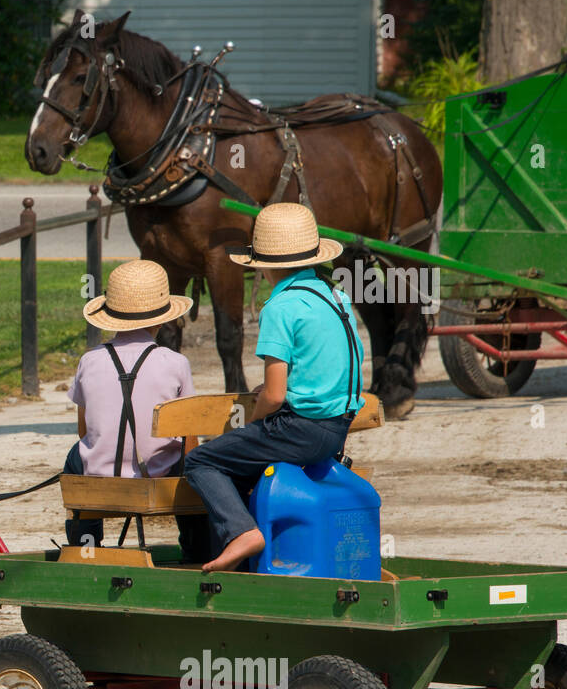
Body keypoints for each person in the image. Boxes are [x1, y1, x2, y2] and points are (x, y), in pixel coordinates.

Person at [183, 202, 365, 571]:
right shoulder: (337, 298)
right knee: (242, 460)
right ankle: (252, 549)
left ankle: (241, 533)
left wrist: (252, 423)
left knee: (201, 461)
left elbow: (274, 394)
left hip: (301, 429)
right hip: (338, 428)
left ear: (266, 266)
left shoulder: (281, 307)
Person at [64, 259, 211, 560]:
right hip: (160, 476)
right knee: (196, 462)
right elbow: (189, 437)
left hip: (98, 477)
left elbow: (84, 430)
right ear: (162, 319)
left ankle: (85, 544)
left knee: (74, 455)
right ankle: (196, 551)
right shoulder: (175, 363)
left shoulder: (89, 361)